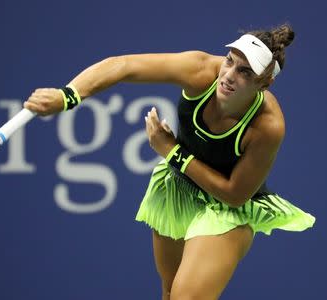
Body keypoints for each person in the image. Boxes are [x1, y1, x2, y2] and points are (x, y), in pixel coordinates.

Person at [24, 24, 315, 300]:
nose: (228, 75)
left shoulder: (268, 126)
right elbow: (124, 65)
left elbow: (235, 195)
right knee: (169, 292)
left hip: (228, 209)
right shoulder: (201, 70)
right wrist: (69, 96)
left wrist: (173, 152)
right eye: (229, 61)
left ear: (266, 83)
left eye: (245, 72)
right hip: (179, 189)